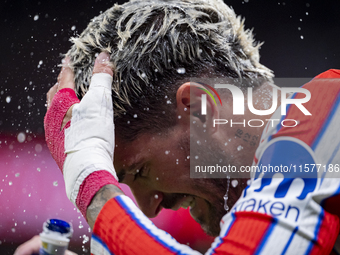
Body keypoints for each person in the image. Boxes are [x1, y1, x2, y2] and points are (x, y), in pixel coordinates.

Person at [18, 0, 340, 254]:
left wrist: (91, 185)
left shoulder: (327, 114)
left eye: (139, 171)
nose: (148, 208)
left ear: (199, 109)